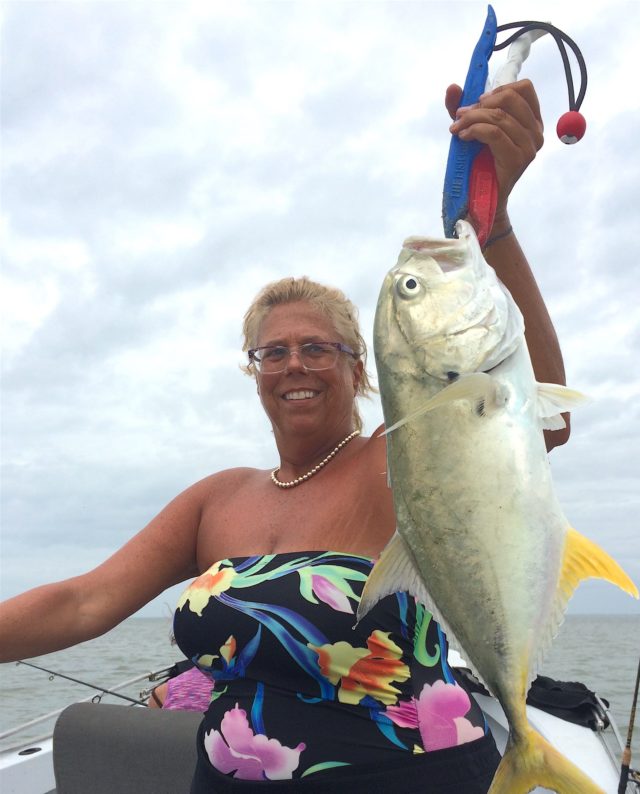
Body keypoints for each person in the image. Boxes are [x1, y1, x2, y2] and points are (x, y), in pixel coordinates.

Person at [0, 80, 568, 792]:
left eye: (319, 348)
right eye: (274, 352)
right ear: (255, 372)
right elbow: (84, 602)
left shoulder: (405, 454)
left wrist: (495, 223)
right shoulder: (217, 498)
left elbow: (538, 416)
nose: (295, 364)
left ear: (362, 369)